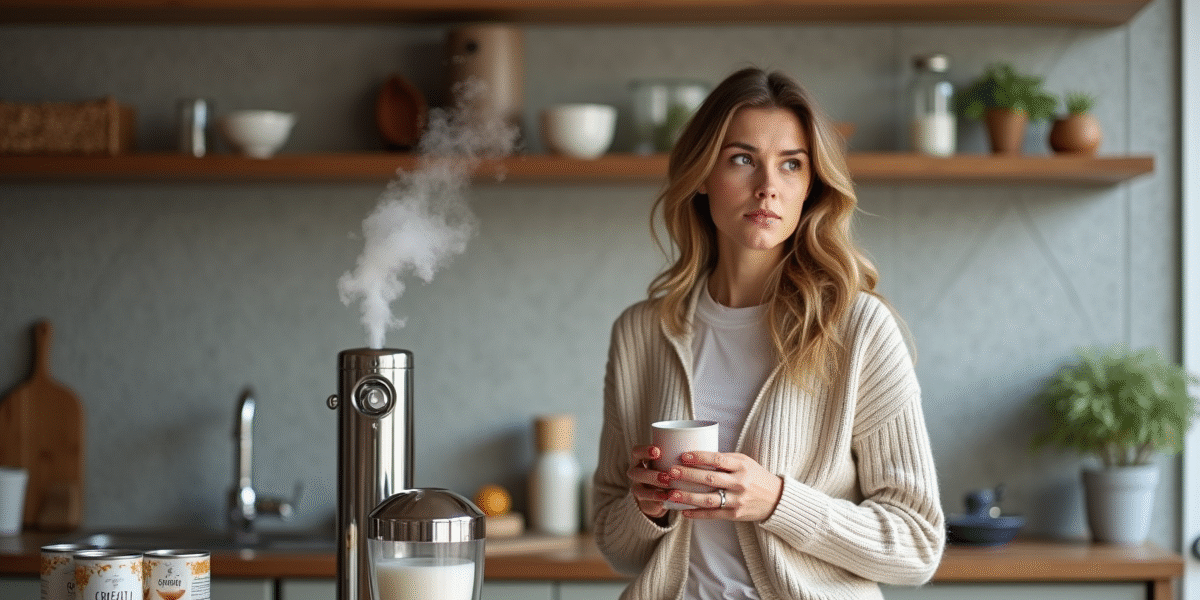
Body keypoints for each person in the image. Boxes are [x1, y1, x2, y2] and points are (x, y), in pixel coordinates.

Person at [591, 67, 945, 600]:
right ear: (704, 174)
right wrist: (646, 509)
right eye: (742, 159)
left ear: (811, 186)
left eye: (791, 165)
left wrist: (778, 501)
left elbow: (917, 546)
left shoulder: (858, 328)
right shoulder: (642, 332)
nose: (767, 188)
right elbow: (617, 547)